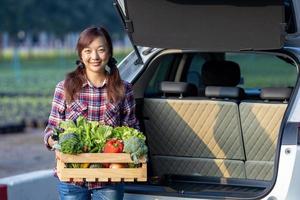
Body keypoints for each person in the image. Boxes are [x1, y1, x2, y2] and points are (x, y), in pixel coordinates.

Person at [43, 26, 139, 200]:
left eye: (101, 50)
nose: (94, 57)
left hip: (109, 181)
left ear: (109, 53)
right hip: (72, 180)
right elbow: (51, 129)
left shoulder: (123, 89)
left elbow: (132, 129)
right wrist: (56, 142)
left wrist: (132, 145)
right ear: (81, 54)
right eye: (88, 51)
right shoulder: (65, 88)